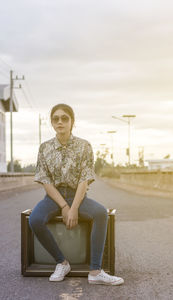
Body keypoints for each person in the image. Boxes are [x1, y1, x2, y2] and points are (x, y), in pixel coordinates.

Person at [29, 103, 124, 286]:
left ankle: (95, 271)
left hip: (77, 195)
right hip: (53, 197)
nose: (60, 122)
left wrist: (73, 208)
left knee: (100, 213)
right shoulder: (45, 148)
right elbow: (45, 180)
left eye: (65, 118)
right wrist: (63, 206)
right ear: (52, 122)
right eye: (56, 118)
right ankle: (62, 262)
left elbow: (84, 179)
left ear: (72, 122)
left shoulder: (84, 146)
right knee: (34, 219)